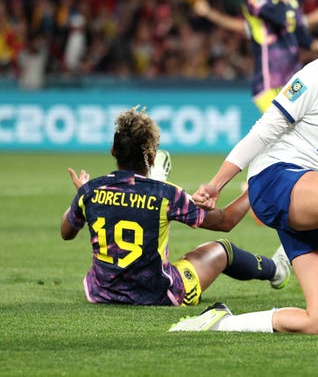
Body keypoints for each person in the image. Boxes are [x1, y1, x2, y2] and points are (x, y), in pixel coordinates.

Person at [168, 0, 318, 340]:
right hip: (275, 179)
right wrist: (218, 183)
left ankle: (220, 322)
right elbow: (264, 131)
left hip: (314, 200)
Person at [60, 106, 290, 306]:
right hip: (158, 294)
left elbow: (66, 233)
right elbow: (226, 221)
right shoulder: (165, 195)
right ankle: (277, 271)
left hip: (102, 293)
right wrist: (256, 186)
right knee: (222, 249)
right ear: (151, 158)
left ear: (113, 150)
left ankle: (276, 270)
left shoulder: (91, 191)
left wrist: (81, 196)